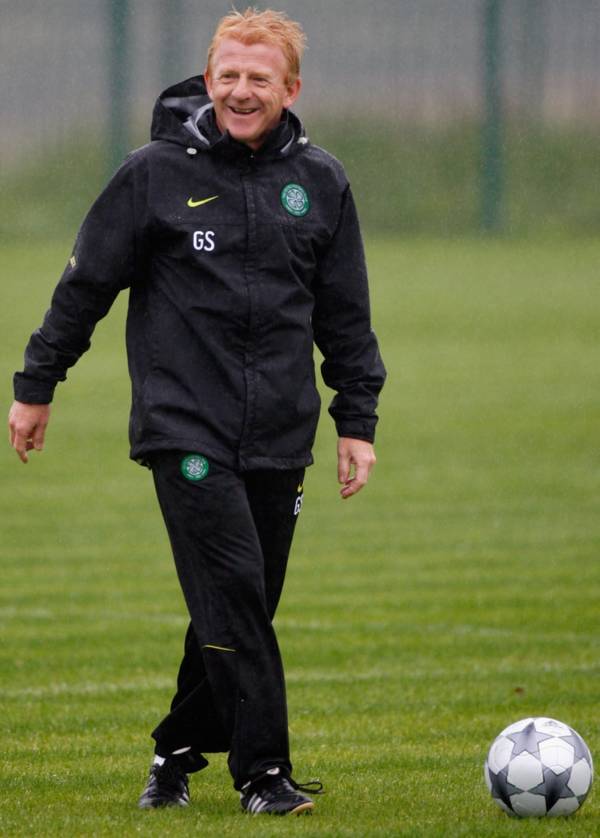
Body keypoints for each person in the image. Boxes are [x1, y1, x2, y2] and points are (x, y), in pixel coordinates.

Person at [8, 8, 385, 817]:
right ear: (209, 80)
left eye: (259, 79)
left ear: (291, 89)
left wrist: (357, 420)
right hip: (182, 426)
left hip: (280, 430)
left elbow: (345, 314)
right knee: (235, 588)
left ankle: (175, 751)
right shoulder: (152, 173)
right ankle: (264, 774)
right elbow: (85, 286)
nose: (241, 91)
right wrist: (37, 385)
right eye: (228, 76)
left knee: (240, 600)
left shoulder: (322, 182)